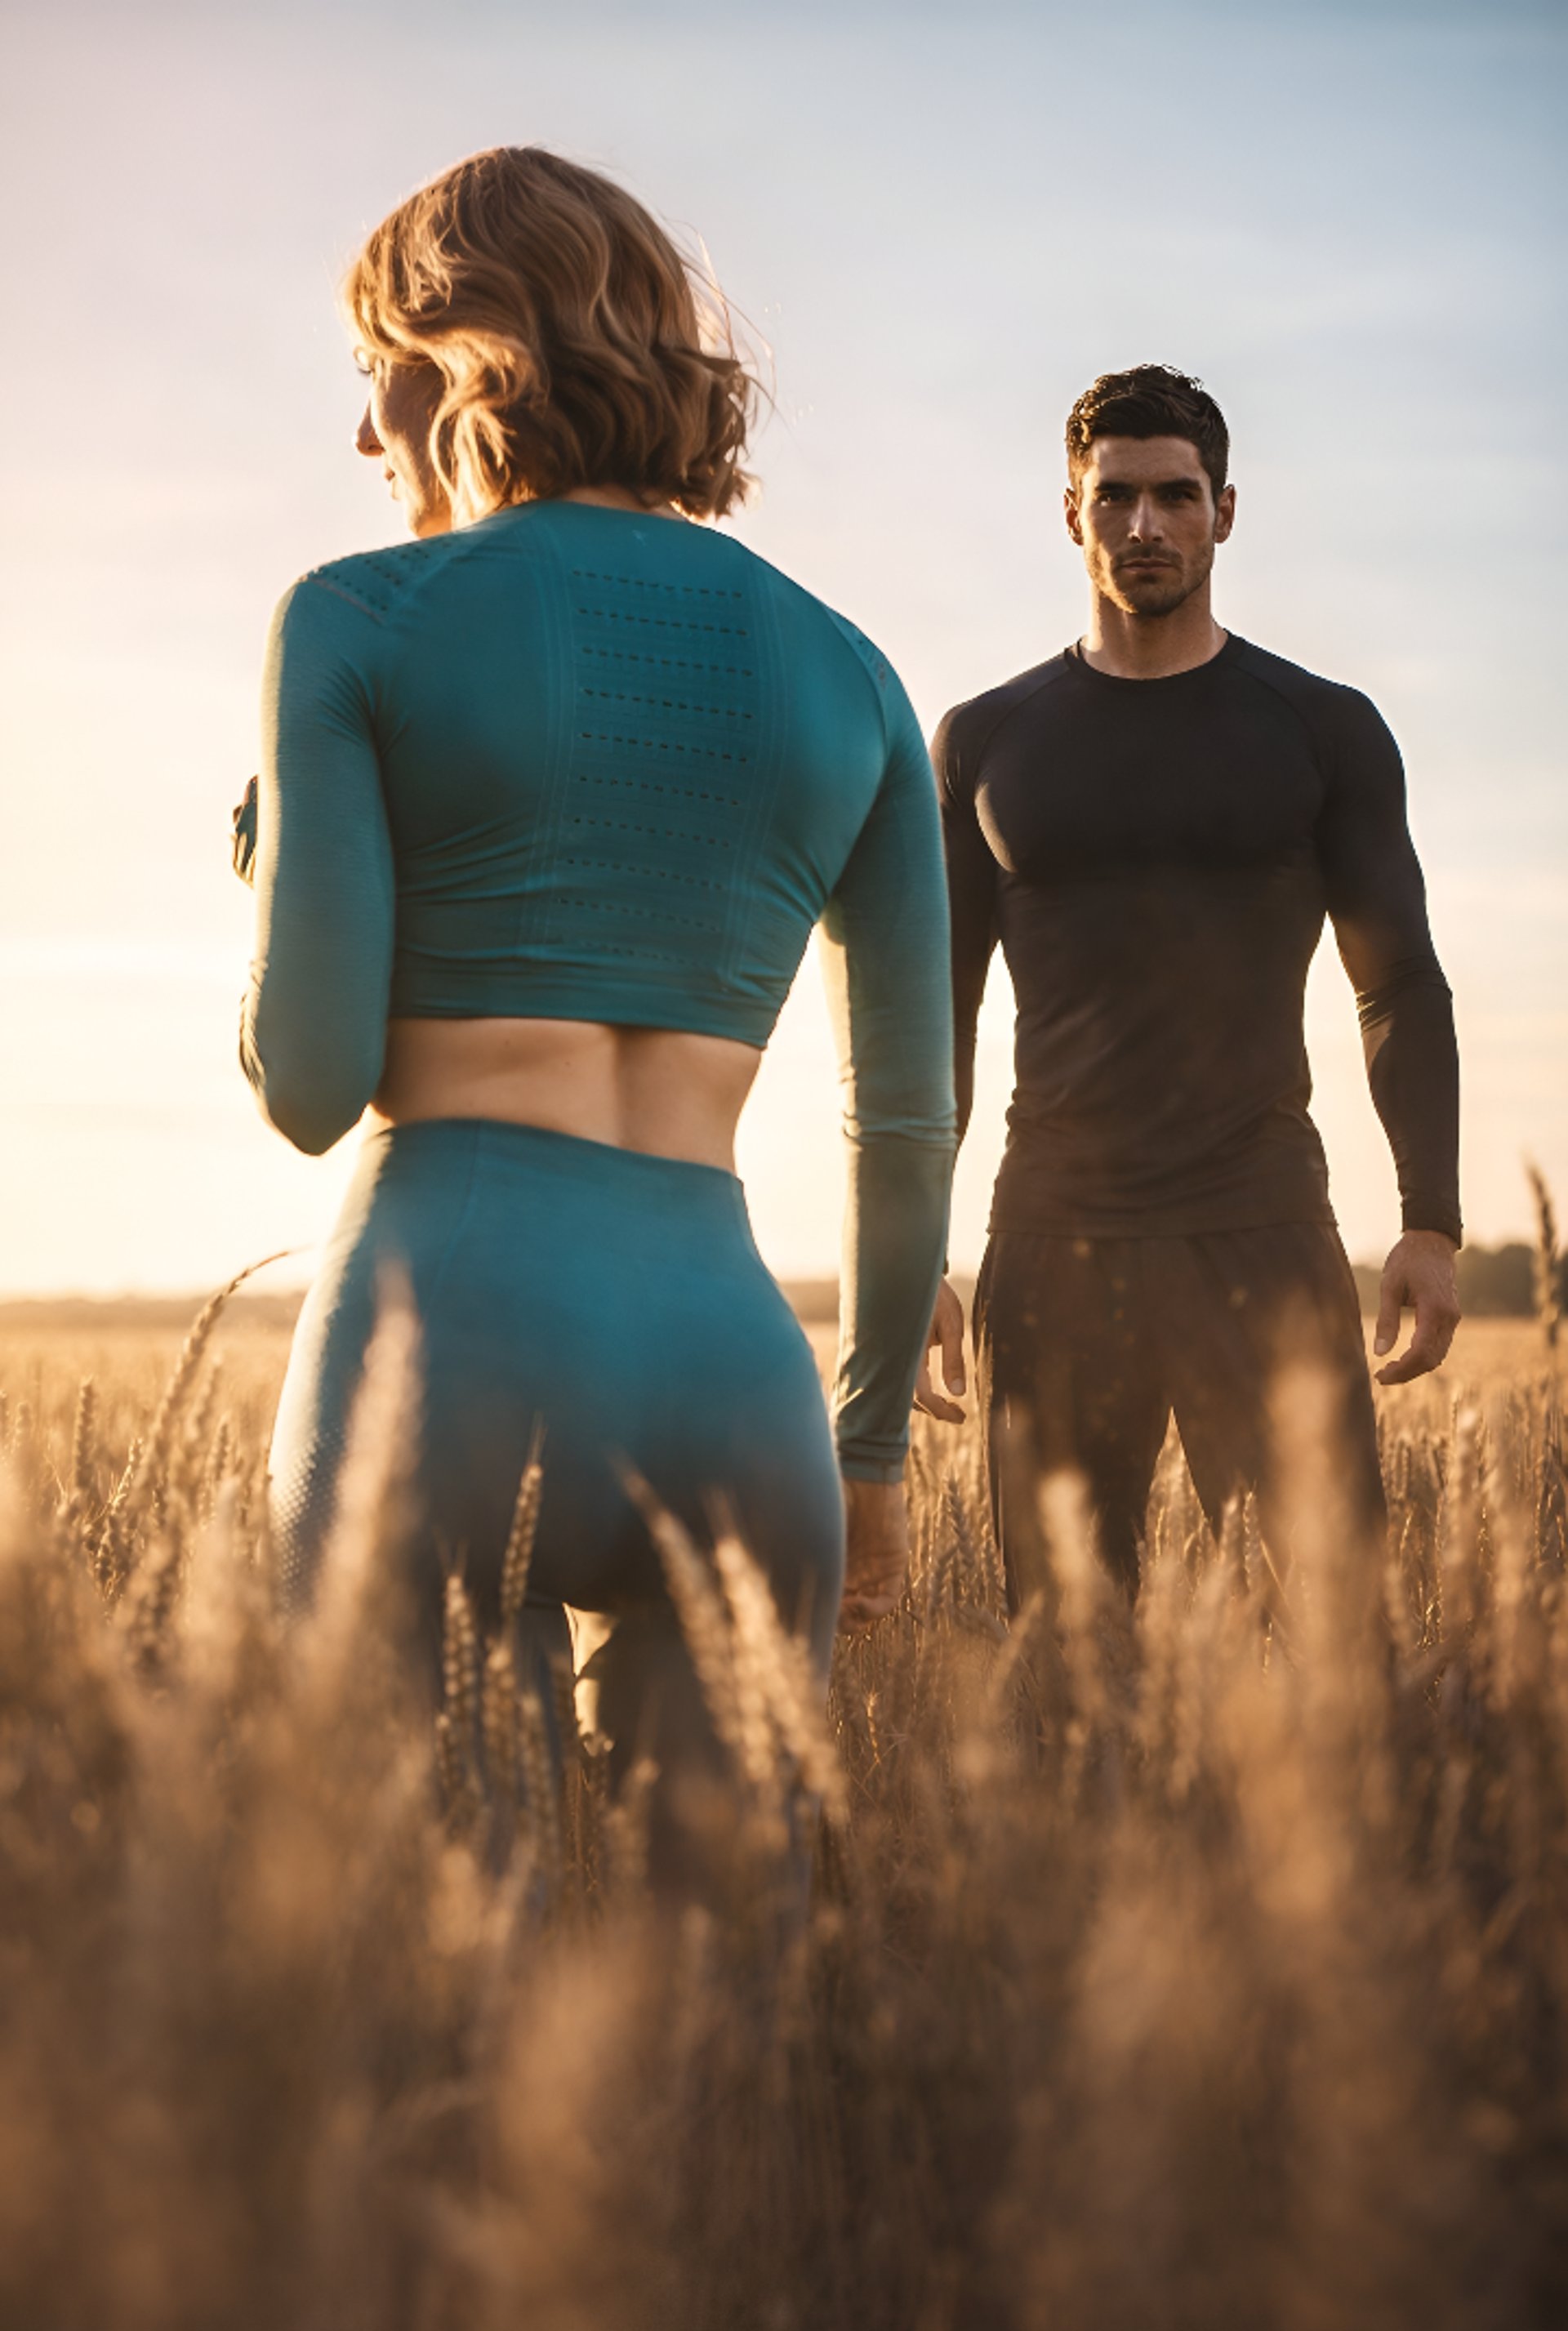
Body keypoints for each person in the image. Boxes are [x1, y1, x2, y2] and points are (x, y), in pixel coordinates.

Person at [237, 146, 954, 1877]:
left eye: (372, 377)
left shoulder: (355, 619)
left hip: (443, 1333)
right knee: (715, 2038)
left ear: (461, 354)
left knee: (434, 1998)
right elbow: (907, 1122)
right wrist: (867, 1451)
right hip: (733, 1368)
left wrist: (274, 859)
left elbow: (312, 1080)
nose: (364, 439)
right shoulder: (853, 668)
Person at [916, 364, 1460, 1598]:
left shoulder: (1324, 730)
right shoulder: (987, 741)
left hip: (1261, 1227)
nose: (1145, 526)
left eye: (1174, 495)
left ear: (1224, 508)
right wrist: (906, 1254)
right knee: (1061, 1664)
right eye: (1115, 499)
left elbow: (1400, 985)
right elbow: (936, 1007)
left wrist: (1432, 1219)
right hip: (1054, 1237)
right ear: (1073, 513)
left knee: (1328, 1644)